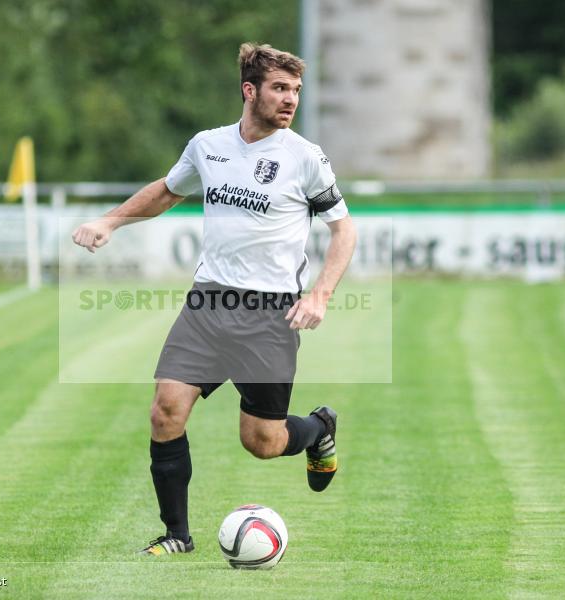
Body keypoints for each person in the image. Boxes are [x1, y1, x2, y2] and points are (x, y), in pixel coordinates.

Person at [72, 42, 357, 556]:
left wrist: (320, 294)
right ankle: (176, 535)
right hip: (208, 304)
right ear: (250, 91)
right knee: (165, 410)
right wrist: (109, 220)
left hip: (271, 315)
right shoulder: (208, 145)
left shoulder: (305, 158)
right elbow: (167, 190)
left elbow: (344, 232)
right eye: (279, 88)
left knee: (262, 442)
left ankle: (317, 430)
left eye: (295, 90)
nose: (290, 99)